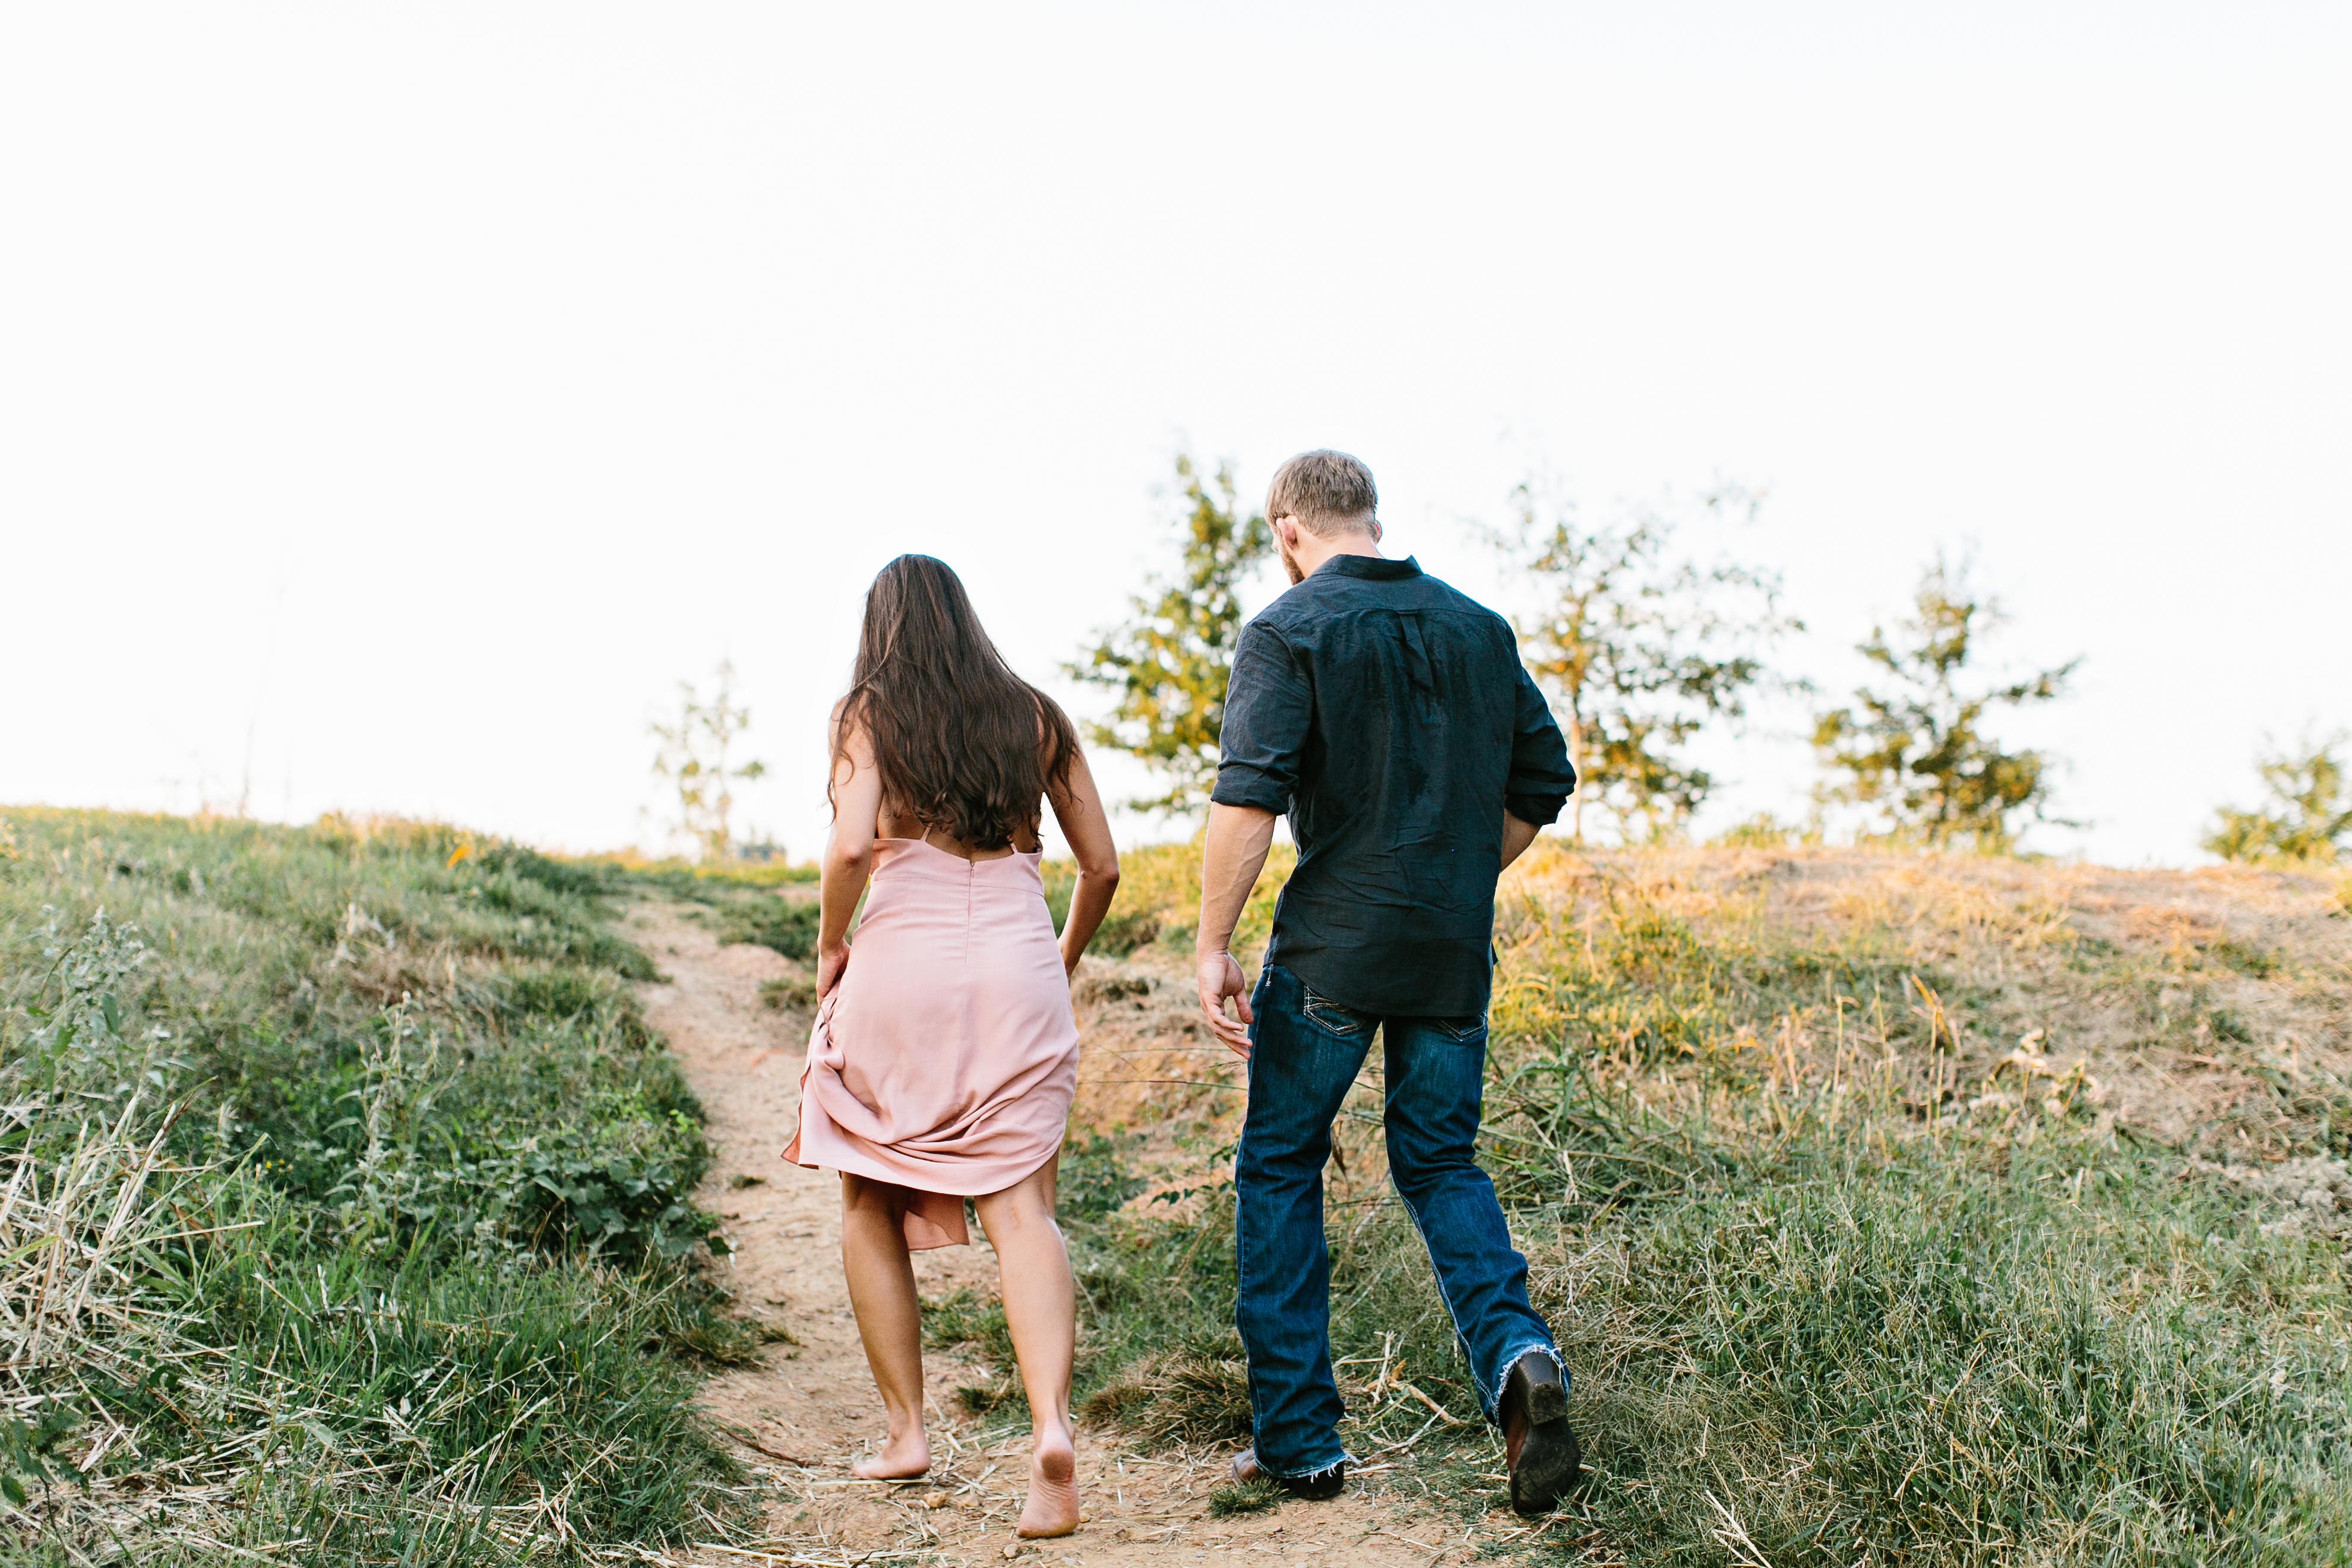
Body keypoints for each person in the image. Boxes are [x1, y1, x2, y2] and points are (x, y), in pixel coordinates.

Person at [1194, 450, 1583, 1515]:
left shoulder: (1290, 629)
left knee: (1280, 1165)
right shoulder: (1479, 627)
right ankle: (1517, 1362)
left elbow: (1249, 798)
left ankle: (1300, 1445)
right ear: (1370, 517)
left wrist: (1210, 943)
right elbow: (1544, 781)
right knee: (1443, 1165)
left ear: (1288, 528)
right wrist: (1454, 875)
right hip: (1450, 954)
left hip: (1330, 950)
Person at [786, 553, 1121, 1541]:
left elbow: (851, 848)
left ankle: (905, 1432)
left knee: (865, 1193)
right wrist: (1057, 960)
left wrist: (830, 947)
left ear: (881, 625)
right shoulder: (1036, 716)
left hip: (902, 961)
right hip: (1018, 954)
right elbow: (1101, 866)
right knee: (1024, 1208)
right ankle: (1051, 1430)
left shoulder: (868, 713)